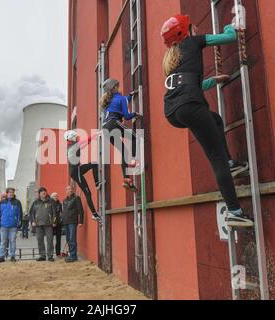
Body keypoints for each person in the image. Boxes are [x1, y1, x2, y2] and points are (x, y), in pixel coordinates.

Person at [161, 14, 253, 227]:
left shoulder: (171, 59)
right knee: (216, 157)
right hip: (190, 106)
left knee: (216, 120)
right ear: (186, 31)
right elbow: (228, 37)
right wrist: (232, 22)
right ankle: (234, 211)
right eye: (192, 27)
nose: (195, 29)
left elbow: (190, 84)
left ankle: (229, 163)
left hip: (173, 112)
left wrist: (214, 80)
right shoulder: (195, 41)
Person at [99, 78, 140, 192]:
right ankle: (133, 161)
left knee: (124, 152)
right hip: (114, 123)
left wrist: (130, 95)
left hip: (105, 129)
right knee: (134, 137)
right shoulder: (120, 98)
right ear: (115, 88)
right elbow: (126, 116)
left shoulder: (108, 100)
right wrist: (134, 114)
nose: (120, 87)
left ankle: (126, 180)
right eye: (119, 86)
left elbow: (122, 101)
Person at [64, 130, 102, 224]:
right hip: (76, 171)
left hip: (77, 169)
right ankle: (94, 214)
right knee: (88, 193)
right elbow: (84, 141)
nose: (76, 138)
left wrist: (90, 140)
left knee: (94, 164)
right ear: (71, 138)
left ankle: (97, 183)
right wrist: (96, 134)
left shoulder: (71, 146)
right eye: (75, 137)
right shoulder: (73, 145)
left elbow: (83, 145)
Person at [0, 188, 23, 263]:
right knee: (3, 242)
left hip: (13, 226)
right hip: (3, 225)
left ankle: (12, 256)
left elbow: (19, 214)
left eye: (12, 192)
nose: (11, 193)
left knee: (12, 241)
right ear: (7, 193)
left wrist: (19, 224)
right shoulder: (2, 202)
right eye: (10, 192)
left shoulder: (17, 202)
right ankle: (2, 256)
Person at [30, 187, 56, 262]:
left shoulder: (51, 201)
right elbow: (31, 213)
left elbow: (54, 212)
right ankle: (42, 255)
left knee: (50, 240)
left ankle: (50, 256)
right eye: (42, 192)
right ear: (39, 194)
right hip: (38, 225)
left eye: (45, 192)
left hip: (49, 224)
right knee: (40, 240)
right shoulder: (36, 202)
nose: (44, 193)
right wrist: (33, 221)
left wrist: (54, 222)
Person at [62, 185, 84, 263]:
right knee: (68, 239)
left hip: (72, 222)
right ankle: (71, 254)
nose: (70, 190)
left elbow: (80, 210)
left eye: (71, 189)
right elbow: (64, 211)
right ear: (66, 191)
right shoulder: (64, 200)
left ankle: (73, 256)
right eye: (68, 189)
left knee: (72, 239)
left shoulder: (76, 198)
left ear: (73, 190)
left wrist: (81, 221)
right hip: (66, 222)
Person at [51, 192, 63, 257]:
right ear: (51, 197)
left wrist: (61, 219)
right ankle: (50, 253)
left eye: (57, 196)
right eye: (54, 196)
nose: (56, 197)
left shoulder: (59, 204)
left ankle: (58, 253)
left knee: (58, 239)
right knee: (50, 239)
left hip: (59, 224)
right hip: (52, 224)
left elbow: (61, 213)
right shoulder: (50, 203)